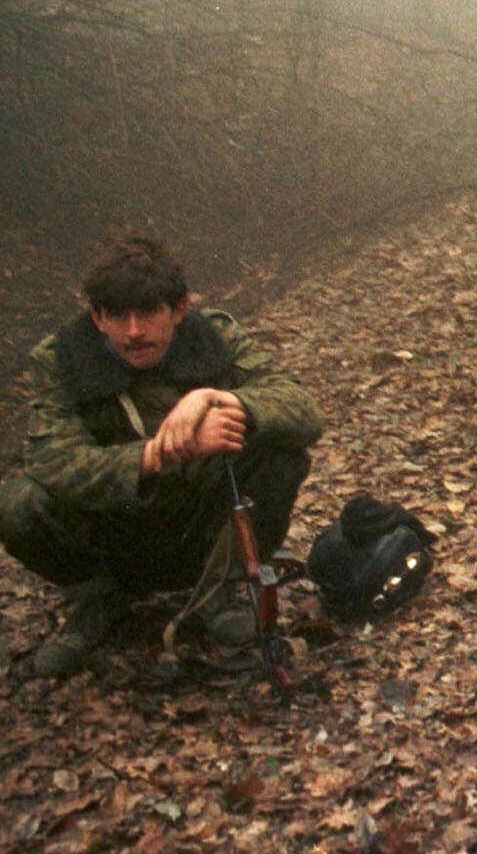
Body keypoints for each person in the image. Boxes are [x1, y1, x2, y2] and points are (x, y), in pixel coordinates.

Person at [0, 231, 324, 677]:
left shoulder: (214, 335)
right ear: (97, 317)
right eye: (118, 315)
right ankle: (98, 599)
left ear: (179, 308)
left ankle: (221, 588)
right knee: (18, 505)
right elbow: (54, 463)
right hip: (116, 527)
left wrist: (219, 400)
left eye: (149, 313)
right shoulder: (60, 359)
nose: (134, 332)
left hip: (201, 522)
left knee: (281, 453)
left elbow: (303, 408)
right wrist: (160, 455)